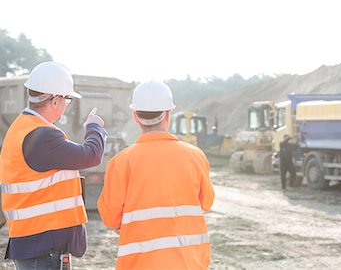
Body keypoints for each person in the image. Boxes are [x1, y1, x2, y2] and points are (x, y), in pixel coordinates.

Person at [0, 61, 107, 270]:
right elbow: (91, 155)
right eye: (67, 99)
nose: (67, 104)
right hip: (42, 245)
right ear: (56, 100)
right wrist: (94, 128)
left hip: (33, 241)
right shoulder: (42, 135)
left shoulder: (22, 128)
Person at [98, 80, 215, 270]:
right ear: (168, 114)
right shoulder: (195, 156)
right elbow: (206, 202)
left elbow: (110, 217)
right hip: (189, 263)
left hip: (140, 264)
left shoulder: (121, 162)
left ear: (135, 117)